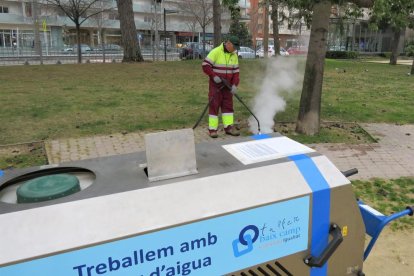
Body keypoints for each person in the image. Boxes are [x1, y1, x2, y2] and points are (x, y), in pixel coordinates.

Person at [202, 36, 240, 138]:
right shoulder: (216, 52)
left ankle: (228, 127)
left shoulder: (234, 55)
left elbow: (236, 72)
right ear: (229, 43)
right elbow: (205, 65)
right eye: (234, 47)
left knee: (228, 107)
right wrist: (214, 76)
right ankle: (212, 130)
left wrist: (235, 85)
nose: (235, 49)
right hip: (216, 86)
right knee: (214, 106)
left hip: (228, 87)